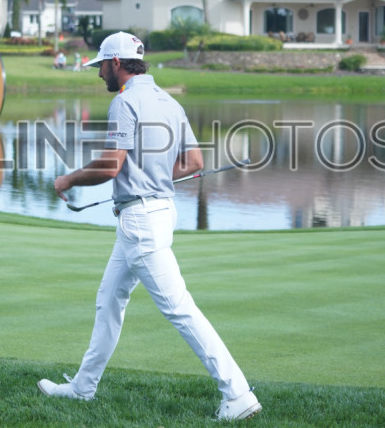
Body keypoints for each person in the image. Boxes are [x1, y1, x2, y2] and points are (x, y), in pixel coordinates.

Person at [37, 32, 261, 421]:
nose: (99, 73)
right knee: (109, 300)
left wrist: (68, 179)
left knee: (180, 308)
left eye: (101, 66)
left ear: (117, 63)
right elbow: (194, 162)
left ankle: (237, 393)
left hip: (141, 221)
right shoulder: (169, 101)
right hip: (156, 213)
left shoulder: (124, 102)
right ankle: (82, 388)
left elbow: (111, 165)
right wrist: (153, 175)